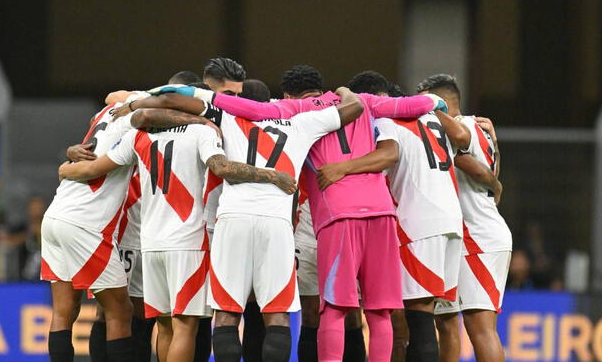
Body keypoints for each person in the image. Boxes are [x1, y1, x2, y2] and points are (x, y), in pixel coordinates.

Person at [171, 64, 447, 362]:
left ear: (288, 93)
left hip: (335, 214)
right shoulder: (364, 103)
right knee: (379, 311)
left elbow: (245, 107)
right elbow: (412, 105)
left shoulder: (298, 111)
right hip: (381, 211)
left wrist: (181, 93)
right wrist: (439, 102)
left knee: (333, 309)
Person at [115, 82, 366, 362]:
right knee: (277, 315)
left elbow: (168, 102)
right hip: (276, 222)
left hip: (232, 220)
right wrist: (343, 90)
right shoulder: (301, 122)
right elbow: (355, 108)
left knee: (226, 315)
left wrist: (137, 103)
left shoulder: (227, 116)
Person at [58, 104, 297, 362]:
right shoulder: (202, 132)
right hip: (188, 242)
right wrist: (271, 175)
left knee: (164, 326)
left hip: (149, 242)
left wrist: (64, 167)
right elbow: (221, 167)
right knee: (185, 327)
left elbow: (93, 167)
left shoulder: (139, 135)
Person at [41, 99, 215, 362]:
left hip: (55, 215)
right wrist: (201, 120)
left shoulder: (106, 113)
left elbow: (114, 96)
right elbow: (145, 113)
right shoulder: (134, 126)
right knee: (121, 311)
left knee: (64, 311)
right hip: (86, 224)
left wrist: (65, 164)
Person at [318, 71, 469, 362]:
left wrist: (342, 168)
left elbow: (389, 155)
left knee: (419, 318)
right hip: (452, 221)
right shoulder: (432, 119)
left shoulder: (386, 120)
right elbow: (462, 139)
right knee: (441, 318)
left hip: (420, 223)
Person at [421, 75, 511, 362]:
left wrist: (429, 109)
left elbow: (461, 141)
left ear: (444, 103)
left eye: (428, 102)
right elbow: (488, 172)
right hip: (456, 238)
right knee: (445, 323)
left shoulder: (469, 124)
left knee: (480, 327)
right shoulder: (483, 130)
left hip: (479, 237)